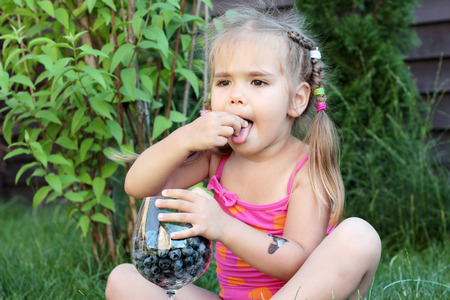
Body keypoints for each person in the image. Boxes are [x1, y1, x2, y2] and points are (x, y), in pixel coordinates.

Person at [105, 4, 381, 300]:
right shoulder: (217, 158)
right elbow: (137, 186)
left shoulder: (305, 169)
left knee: (359, 236)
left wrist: (223, 226)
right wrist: (183, 138)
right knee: (123, 280)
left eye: (257, 81)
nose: (236, 96)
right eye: (224, 82)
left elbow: (296, 263)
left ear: (297, 100)